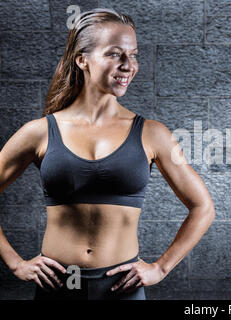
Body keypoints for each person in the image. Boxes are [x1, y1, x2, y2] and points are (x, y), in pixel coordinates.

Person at [0, 8, 215, 300]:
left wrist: (161, 269)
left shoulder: (152, 134)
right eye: (115, 54)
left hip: (121, 289)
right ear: (82, 59)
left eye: (134, 55)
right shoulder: (38, 132)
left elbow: (203, 207)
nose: (129, 65)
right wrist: (16, 264)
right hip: (59, 287)